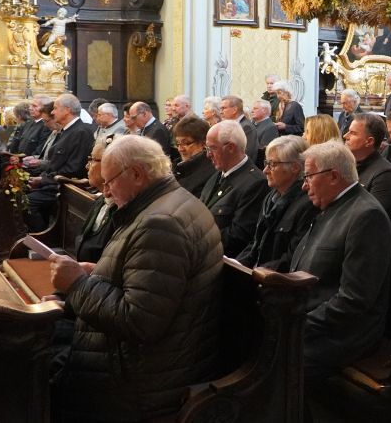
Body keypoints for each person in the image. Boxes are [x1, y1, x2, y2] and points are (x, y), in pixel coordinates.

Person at [48, 135, 222, 421]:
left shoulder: (161, 224)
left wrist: (77, 285)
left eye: (110, 182)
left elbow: (139, 321)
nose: (105, 191)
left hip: (138, 381)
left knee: (26, 367)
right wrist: (98, 273)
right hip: (140, 363)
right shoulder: (168, 203)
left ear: (137, 174)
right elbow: (148, 283)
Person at [288, 141, 391, 379]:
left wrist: (300, 324)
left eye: (309, 177)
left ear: (333, 176)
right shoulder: (334, 206)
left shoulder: (366, 216)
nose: (304, 186)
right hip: (315, 317)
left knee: (279, 357)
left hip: (344, 333)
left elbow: (354, 300)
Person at [237, 136, 318, 269]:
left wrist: (257, 272)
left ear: (295, 167)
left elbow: (292, 259)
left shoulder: (307, 205)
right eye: (266, 163)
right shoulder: (270, 198)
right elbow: (256, 244)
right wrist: (238, 264)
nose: (265, 171)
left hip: (273, 278)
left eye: (272, 164)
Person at [25, 94, 96, 231]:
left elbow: (73, 169)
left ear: (67, 110)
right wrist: (42, 179)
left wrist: (43, 180)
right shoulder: (65, 131)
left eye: (56, 108)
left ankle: (42, 238)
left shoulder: (81, 132)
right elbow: (54, 162)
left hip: (64, 186)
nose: (52, 112)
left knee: (28, 202)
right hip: (53, 183)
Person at [200, 120, 269, 257]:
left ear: (231, 147)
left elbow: (238, 237)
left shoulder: (255, 183)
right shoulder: (217, 175)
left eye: (212, 148)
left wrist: (197, 240)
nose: (208, 154)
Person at [344, 113, 391, 222]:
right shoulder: (349, 165)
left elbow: (372, 217)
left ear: (369, 141)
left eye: (353, 133)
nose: (345, 136)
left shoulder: (385, 175)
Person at [74, 135, 117, 263]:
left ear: (110, 165)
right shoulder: (101, 200)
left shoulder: (121, 207)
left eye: (92, 160)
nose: (87, 166)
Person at [172, 115, 216, 197]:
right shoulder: (176, 166)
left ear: (203, 143)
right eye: (178, 144)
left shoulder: (210, 172)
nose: (180, 149)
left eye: (186, 143)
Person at [220, 95, 259, 162]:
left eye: (224, 108)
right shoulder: (234, 125)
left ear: (234, 110)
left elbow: (246, 154)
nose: (221, 112)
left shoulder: (246, 127)